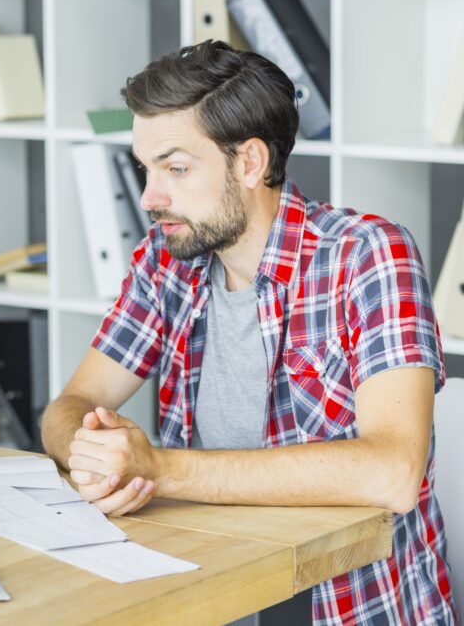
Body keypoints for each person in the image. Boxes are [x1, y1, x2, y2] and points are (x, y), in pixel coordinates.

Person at [42, 41, 457, 624]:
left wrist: (159, 468)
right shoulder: (166, 260)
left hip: (344, 604)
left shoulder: (368, 256)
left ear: (250, 163)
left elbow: (393, 473)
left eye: (176, 168)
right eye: (146, 168)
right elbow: (70, 405)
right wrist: (93, 452)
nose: (149, 198)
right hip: (209, 586)